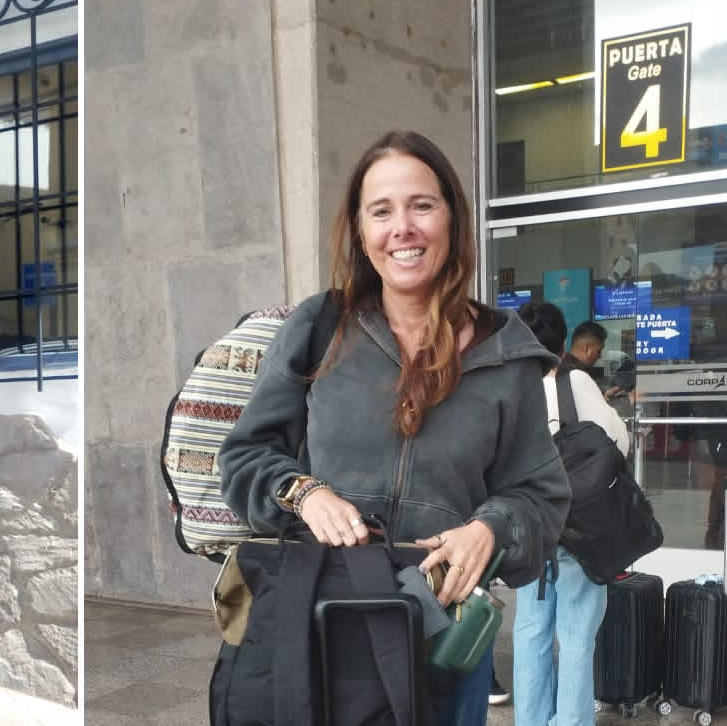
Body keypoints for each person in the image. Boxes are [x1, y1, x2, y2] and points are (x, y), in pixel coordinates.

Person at [218, 130, 570, 726]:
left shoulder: (507, 355)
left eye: (421, 205)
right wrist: (304, 493)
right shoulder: (319, 328)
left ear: (452, 220)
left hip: (442, 635)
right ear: (361, 232)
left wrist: (491, 528)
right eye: (381, 211)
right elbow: (245, 456)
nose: (402, 228)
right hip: (321, 622)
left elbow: (541, 494)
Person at [510, 302, 626, 726]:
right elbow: (616, 441)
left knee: (530, 631)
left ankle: (531, 720)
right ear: (563, 343)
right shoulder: (574, 380)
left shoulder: (508, 386)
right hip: (578, 526)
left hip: (528, 527)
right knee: (576, 635)